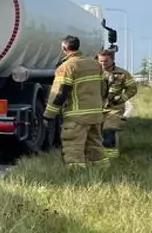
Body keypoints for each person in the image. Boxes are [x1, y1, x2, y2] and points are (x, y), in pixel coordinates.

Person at [42, 35, 108, 168]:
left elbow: (59, 93)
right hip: (95, 115)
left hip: (77, 116)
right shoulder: (95, 65)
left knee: (73, 148)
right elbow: (104, 88)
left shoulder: (67, 67)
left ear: (64, 48)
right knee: (95, 146)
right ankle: (101, 171)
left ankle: (76, 175)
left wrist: (48, 115)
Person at [97, 49, 138, 161]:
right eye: (100, 61)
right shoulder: (93, 73)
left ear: (113, 59)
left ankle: (111, 159)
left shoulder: (122, 73)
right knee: (95, 135)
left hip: (114, 108)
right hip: (96, 108)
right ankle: (97, 157)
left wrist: (121, 99)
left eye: (106, 61)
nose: (103, 64)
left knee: (109, 132)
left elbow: (132, 88)